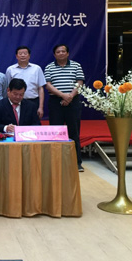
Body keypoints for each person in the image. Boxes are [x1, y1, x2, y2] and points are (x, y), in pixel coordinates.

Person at [44, 44, 85, 172]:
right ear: (54, 54)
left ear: (67, 53)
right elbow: (48, 85)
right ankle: (55, 162)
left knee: (74, 132)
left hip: (73, 101)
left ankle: (77, 162)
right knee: (55, 132)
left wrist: (70, 96)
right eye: (58, 52)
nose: (61, 53)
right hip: (56, 102)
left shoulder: (76, 65)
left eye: (63, 51)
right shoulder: (49, 67)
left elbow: (80, 82)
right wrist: (63, 95)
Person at [5, 46, 47, 118]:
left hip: (33, 101)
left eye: (25, 53)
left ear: (29, 56)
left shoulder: (37, 68)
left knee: (33, 123)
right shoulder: (10, 69)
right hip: (16, 102)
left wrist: (40, 107)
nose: (23, 55)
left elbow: (41, 88)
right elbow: (8, 89)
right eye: (20, 53)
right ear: (16, 56)